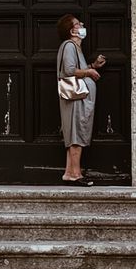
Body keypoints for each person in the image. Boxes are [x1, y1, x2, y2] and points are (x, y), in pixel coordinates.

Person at [56, 13, 105, 185]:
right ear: (72, 31)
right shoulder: (69, 46)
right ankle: (76, 174)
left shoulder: (74, 47)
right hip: (77, 99)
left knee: (75, 133)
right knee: (76, 134)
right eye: (78, 24)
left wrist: (92, 66)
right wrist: (89, 72)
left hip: (80, 99)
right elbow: (69, 70)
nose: (82, 24)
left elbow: (76, 68)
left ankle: (69, 173)